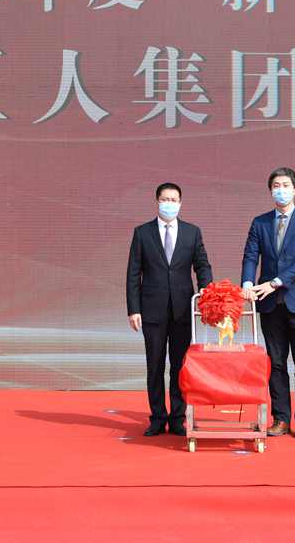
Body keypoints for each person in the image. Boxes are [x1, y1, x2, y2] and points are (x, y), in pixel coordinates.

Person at [126, 182, 213, 437]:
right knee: (154, 366)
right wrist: (133, 309)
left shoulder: (192, 232)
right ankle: (157, 418)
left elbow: (202, 266)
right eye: (165, 199)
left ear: (181, 203)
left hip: (182, 311)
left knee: (179, 366)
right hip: (151, 311)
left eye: (174, 200)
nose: (169, 204)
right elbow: (133, 274)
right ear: (157, 201)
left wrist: (206, 293)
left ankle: (177, 418)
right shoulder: (142, 233)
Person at [241, 167, 295, 439]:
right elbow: (251, 255)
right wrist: (247, 283)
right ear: (270, 191)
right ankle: (281, 418)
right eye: (276, 185)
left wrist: (275, 282)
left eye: (286, 185)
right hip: (269, 303)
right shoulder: (260, 222)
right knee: (275, 363)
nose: (281, 189)